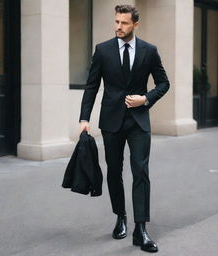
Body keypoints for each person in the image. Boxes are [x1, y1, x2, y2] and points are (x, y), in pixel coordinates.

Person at [79, 4, 170, 253]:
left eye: (124, 23)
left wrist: (146, 98)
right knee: (114, 172)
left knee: (141, 171)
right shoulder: (103, 50)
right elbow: (91, 86)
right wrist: (84, 118)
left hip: (139, 120)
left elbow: (164, 83)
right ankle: (120, 216)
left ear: (135, 25)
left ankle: (140, 229)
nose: (118, 26)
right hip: (111, 121)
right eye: (117, 22)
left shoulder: (149, 51)